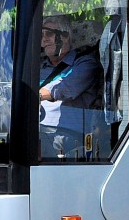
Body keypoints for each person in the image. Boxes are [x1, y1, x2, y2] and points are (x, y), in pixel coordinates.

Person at [38, 16, 101, 158]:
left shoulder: (85, 64)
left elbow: (63, 88)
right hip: (37, 131)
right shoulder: (37, 68)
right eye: (41, 35)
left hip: (67, 135)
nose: (44, 39)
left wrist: (35, 95)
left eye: (49, 34)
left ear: (65, 36)